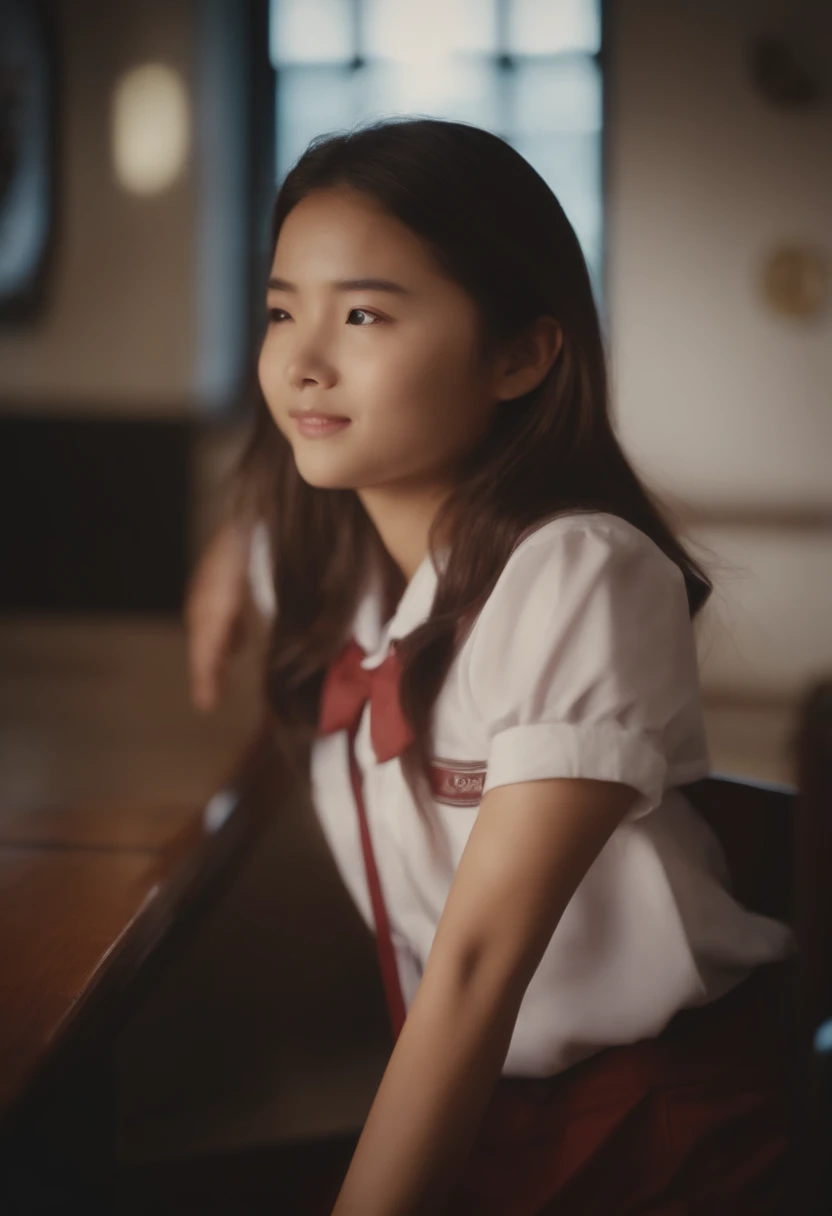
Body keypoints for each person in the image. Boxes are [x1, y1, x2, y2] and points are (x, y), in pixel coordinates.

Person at [184, 117, 797, 1215]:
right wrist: (228, 547)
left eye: (364, 312)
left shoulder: (580, 575)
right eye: (281, 310)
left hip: (658, 1132)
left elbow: (472, 971)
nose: (302, 359)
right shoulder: (344, 566)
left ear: (521, 353)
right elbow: (263, 527)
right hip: (479, 1106)